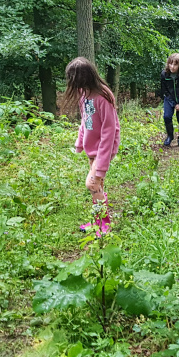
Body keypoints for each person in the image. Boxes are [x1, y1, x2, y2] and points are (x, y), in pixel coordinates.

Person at [63, 57, 120, 235]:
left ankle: (104, 224)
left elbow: (109, 131)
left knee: (92, 184)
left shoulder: (103, 96)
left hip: (104, 148)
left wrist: (101, 164)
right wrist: (80, 142)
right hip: (92, 148)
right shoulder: (84, 93)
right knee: (98, 186)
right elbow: (85, 120)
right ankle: (97, 221)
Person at [160, 53, 179, 147]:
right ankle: (170, 136)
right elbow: (164, 91)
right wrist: (173, 104)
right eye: (171, 64)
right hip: (169, 99)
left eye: (175, 64)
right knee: (167, 116)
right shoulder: (164, 74)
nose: (172, 67)